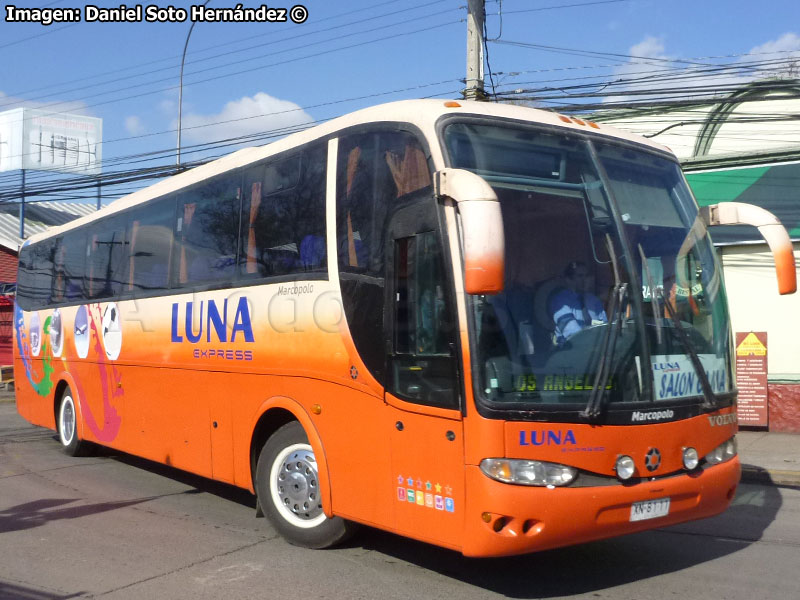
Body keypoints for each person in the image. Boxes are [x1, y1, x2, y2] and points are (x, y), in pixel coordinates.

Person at [550, 261, 608, 345]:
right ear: (569, 280)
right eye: (580, 276)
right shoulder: (560, 302)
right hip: (571, 352)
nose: (585, 280)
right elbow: (573, 334)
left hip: (597, 350)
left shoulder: (592, 299)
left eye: (586, 276)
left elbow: (605, 326)